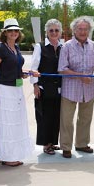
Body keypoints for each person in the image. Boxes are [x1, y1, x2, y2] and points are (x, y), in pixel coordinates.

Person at [0, 18, 38, 167]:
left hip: (16, 89)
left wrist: (27, 73)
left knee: (16, 122)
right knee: (6, 123)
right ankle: (6, 156)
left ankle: (12, 154)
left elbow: (14, 69)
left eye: (16, 30)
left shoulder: (15, 48)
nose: (14, 33)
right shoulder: (0, 49)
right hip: (4, 90)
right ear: (5, 33)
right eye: (10, 30)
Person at [57, 16, 94, 158]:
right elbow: (62, 69)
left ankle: (82, 144)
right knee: (66, 120)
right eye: (80, 29)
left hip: (89, 90)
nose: (83, 32)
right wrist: (80, 76)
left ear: (89, 30)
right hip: (70, 89)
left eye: (86, 29)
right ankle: (66, 147)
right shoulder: (66, 46)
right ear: (74, 30)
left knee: (85, 118)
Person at [30, 19, 63, 155]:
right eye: (51, 30)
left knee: (56, 116)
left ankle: (53, 142)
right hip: (44, 87)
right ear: (46, 32)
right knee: (44, 117)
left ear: (60, 32)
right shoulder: (40, 46)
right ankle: (46, 144)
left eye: (56, 30)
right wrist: (35, 85)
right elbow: (33, 67)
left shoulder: (63, 46)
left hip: (59, 88)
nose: (54, 33)